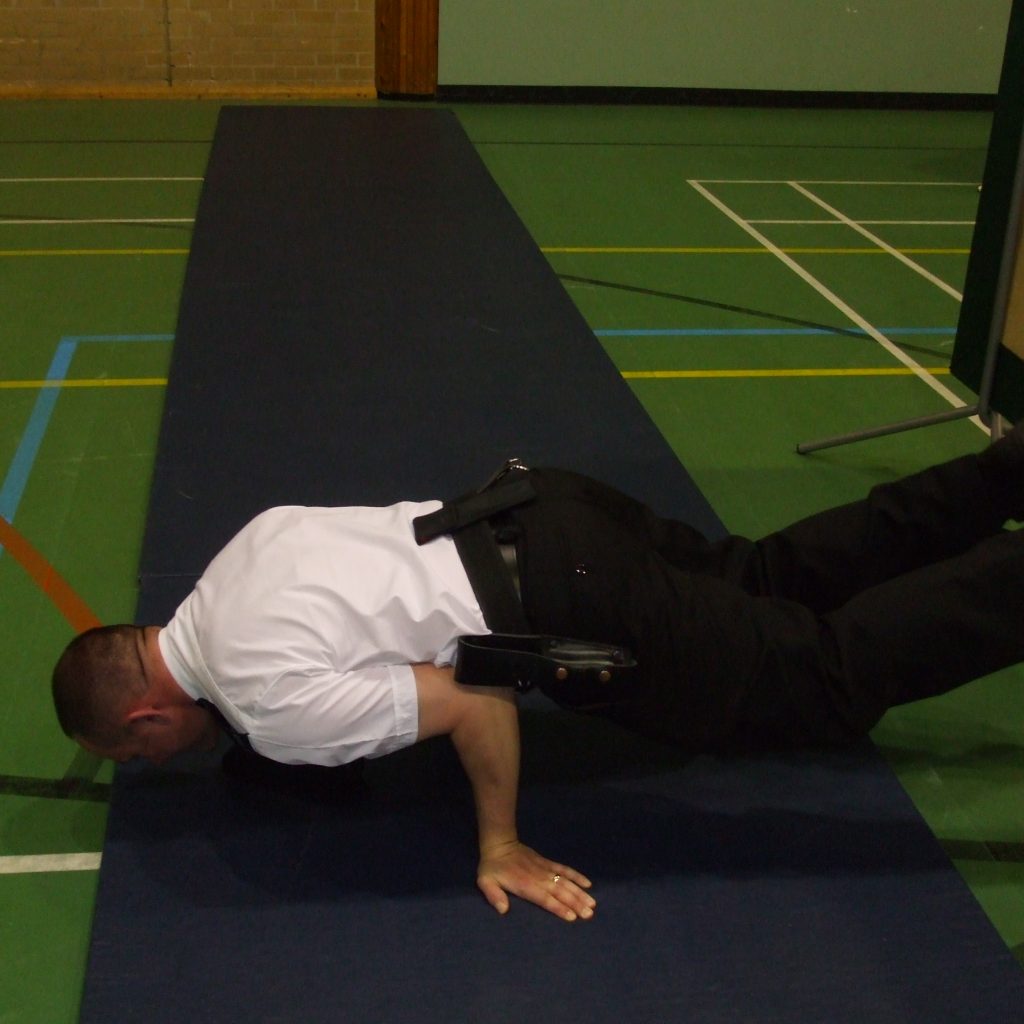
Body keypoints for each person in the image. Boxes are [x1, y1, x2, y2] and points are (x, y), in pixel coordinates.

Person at [52, 425, 1024, 923]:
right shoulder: (232, 559)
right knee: (757, 577)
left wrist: (502, 844)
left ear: (145, 715)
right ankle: (1003, 472)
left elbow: (473, 698)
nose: (159, 760)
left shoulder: (267, 708)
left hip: (575, 594)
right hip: (538, 506)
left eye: (140, 754)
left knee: (820, 679)